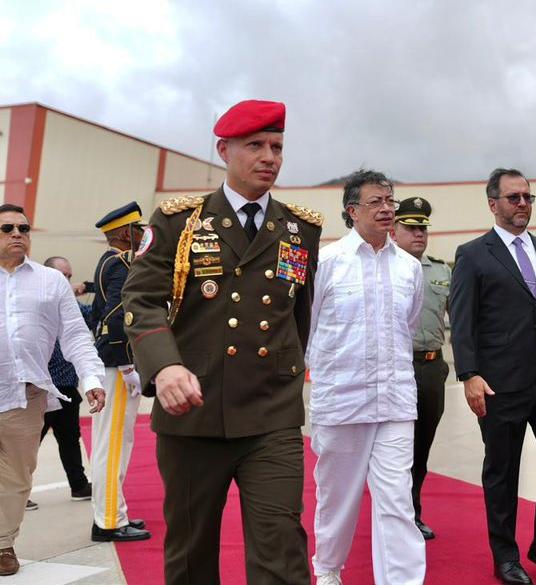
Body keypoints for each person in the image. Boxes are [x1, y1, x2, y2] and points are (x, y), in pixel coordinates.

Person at [122, 100, 322, 585]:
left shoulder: (301, 228)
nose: (268, 156)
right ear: (223, 150)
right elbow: (140, 300)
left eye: (276, 146)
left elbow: (298, 316)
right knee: (192, 553)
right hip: (193, 411)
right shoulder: (180, 221)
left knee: (282, 546)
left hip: (270, 413)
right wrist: (164, 365)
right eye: (254, 145)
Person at [449, 168, 536, 585]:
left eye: (528, 196)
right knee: (503, 471)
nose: (523, 204)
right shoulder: (473, 254)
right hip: (498, 383)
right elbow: (462, 320)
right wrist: (469, 374)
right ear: (493, 204)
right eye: (514, 198)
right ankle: (506, 556)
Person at [308, 170, 425, 585]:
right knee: (337, 497)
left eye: (390, 201)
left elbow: (406, 326)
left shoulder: (410, 269)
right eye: (376, 202)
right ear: (352, 211)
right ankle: (327, 570)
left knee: (397, 500)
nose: (387, 208)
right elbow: (308, 327)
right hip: (341, 401)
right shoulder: (327, 263)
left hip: (394, 401)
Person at [0, 203, 106, 577]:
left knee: (16, 475)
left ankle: (3, 545)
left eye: (23, 228)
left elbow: (76, 336)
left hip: (24, 396)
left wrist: (91, 379)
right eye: (7, 228)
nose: (17, 234)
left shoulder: (50, 281)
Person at [88, 202, 151, 543]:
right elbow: (116, 317)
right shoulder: (119, 265)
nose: (142, 234)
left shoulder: (110, 262)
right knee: (113, 445)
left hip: (112, 363)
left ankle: (112, 512)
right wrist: (127, 365)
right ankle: (109, 520)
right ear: (127, 233)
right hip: (116, 364)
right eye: (138, 229)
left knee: (113, 442)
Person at [392, 196, 451, 541]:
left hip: (430, 369)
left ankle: (412, 512)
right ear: (395, 231)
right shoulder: (385, 267)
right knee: (393, 448)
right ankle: (392, 514)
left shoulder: (442, 271)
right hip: (396, 368)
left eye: (423, 229)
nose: (419, 234)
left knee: (420, 448)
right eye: (411, 228)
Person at [29, 257, 94, 512]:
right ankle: (16, 490)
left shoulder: (69, 305)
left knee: (70, 438)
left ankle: (78, 484)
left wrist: (91, 288)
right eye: (62, 276)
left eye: (69, 276)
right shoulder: (40, 300)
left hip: (65, 386)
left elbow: (93, 315)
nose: (67, 280)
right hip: (40, 386)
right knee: (27, 443)